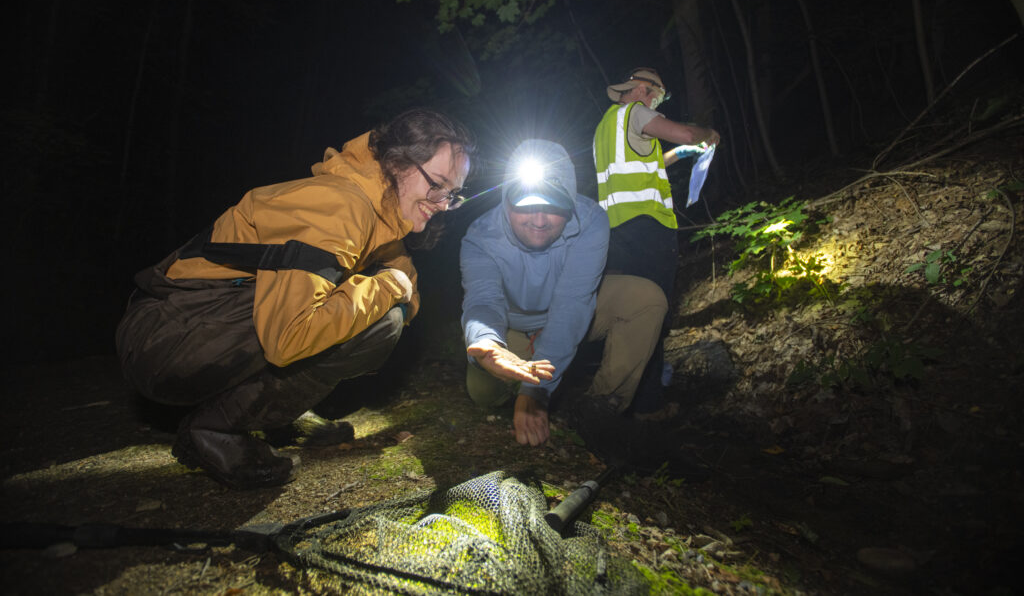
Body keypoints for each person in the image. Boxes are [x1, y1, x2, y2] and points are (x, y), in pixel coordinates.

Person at [116, 108, 476, 489]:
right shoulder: (340, 204)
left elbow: (410, 288)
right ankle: (216, 427)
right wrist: (385, 287)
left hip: (204, 329)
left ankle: (270, 411)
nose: (441, 203)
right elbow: (290, 336)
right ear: (396, 162)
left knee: (377, 313)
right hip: (165, 338)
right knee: (376, 318)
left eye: (452, 195)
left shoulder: (384, 216)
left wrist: (390, 289)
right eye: (436, 184)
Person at [460, 139, 672, 446]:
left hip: (573, 313)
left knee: (646, 299)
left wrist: (535, 391)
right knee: (484, 393)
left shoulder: (592, 221)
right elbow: (482, 301)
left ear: (571, 203)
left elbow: (572, 305)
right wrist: (486, 342)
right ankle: (518, 388)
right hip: (513, 325)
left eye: (553, 206)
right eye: (526, 205)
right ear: (506, 201)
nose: (539, 220)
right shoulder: (480, 238)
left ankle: (602, 407)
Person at [593, 67, 721, 416]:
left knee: (628, 315)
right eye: (657, 96)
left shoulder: (608, 125)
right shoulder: (635, 111)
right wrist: (706, 134)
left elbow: (643, 165)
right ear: (641, 90)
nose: (657, 104)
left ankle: (623, 399)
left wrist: (679, 156)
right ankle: (646, 406)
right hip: (648, 230)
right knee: (653, 313)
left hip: (616, 231)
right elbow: (683, 132)